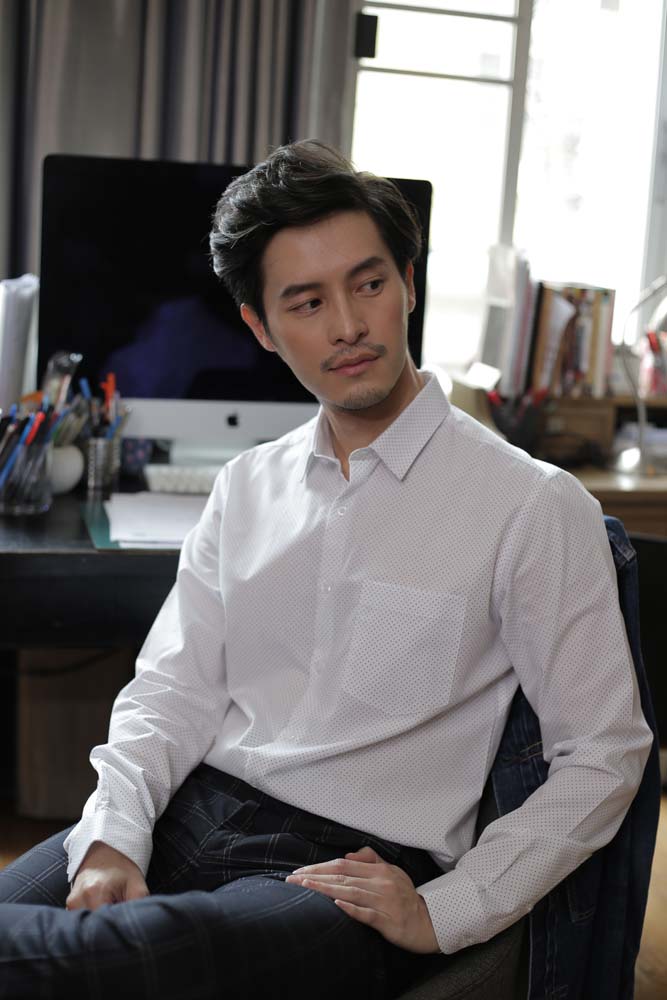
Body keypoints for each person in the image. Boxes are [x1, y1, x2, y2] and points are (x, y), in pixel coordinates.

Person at [0, 141, 653, 999]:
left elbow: (604, 752)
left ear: (408, 285)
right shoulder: (245, 485)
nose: (347, 325)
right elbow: (173, 689)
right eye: (307, 302)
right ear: (261, 328)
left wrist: (450, 905)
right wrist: (114, 835)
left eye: (368, 284)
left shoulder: (530, 503)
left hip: (344, 869)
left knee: (78, 961)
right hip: (189, 808)